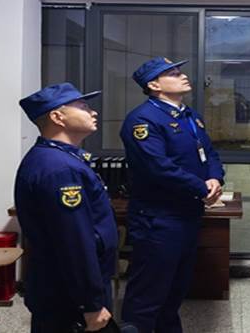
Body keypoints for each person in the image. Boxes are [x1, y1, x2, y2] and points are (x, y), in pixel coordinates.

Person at [120, 57, 224, 333]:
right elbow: (159, 167)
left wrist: (215, 178)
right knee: (148, 292)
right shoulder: (142, 120)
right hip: (158, 218)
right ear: (154, 85)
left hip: (187, 214)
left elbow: (209, 153)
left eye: (180, 72)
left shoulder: (190, 116)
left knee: (176, 288)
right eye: (174, 74)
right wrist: (202, 188)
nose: (183, 76)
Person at [15, 83, 121, 333]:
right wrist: (90, 303)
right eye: (83, 107)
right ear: (57, 117)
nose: (93, 112)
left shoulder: (61, 158)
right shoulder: (59, 168)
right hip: (68, 291)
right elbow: (74, 241)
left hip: (69, 284)